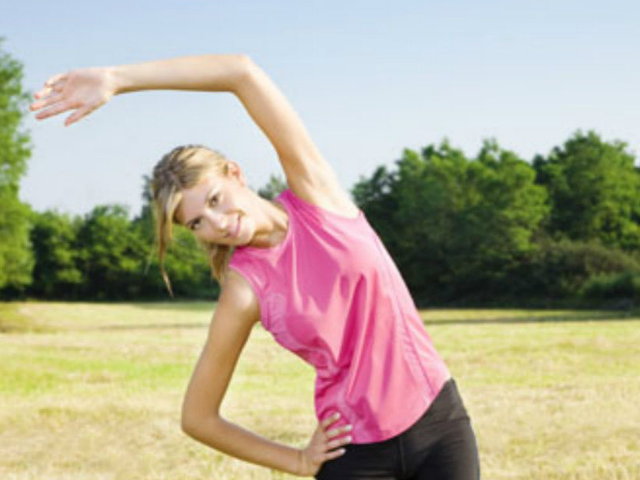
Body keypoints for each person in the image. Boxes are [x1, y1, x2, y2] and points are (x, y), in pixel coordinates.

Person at [31, 53, 481, 479]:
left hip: (438, 422)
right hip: (353, 451)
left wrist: (117, 79)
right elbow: (198, 417)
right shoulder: (244, 288)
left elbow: (241, 72)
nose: (218, 224)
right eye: (197, 223)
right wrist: (298, 460)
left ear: (235, 173)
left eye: (214, 200)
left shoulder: (316, 196)